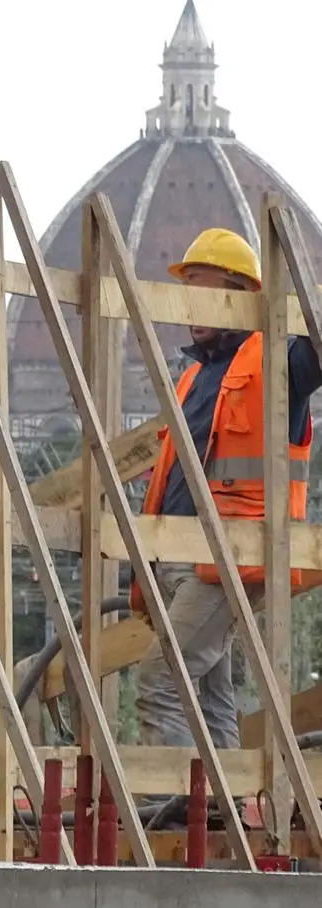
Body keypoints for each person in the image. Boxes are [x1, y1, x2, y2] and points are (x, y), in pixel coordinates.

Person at [130, 230, 322, 765]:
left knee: (160, 679)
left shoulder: (280, 363)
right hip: (180, 560)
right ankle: (223, 817)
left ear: (241, 295)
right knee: (211, 698)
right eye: (187, 292)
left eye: (206, 291)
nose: (193, 305)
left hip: (228, 560)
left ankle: (171, 812)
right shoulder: (194, 377)